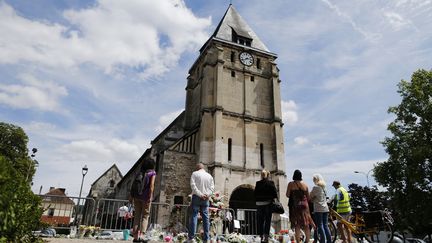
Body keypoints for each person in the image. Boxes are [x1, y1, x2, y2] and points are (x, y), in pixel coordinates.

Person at [130, 158, 156, 243]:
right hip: (145, 198)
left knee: (137, 216)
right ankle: (141, 235)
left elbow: (133, 185)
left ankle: (135, 237)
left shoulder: (140, 172)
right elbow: (151, 186)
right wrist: (150, 196)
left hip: (137, 196)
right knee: (145, 216)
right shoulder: (152, 173)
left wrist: (131, 196)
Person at [286, 169, 315, 243]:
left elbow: (287, 195)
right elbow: (308, 198)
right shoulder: (305, 185)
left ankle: (298, 241)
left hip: (296, 206)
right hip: (305, 206)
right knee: (306, 224)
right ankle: (307, 241)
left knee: (297, 225)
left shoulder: (291, 184)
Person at [188, 163, 214, 243]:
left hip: (197, 197)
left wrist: (200, 194)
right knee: (206, 218)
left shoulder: (195, 174)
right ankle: (206, 239)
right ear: (203, 168)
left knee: (194, 216)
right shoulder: (209, 176)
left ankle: (191, 238)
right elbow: (212, 188)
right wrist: (207, 194)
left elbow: (193, 186)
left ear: (197, 168)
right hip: (206, 198)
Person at [254, 169, 278, 243]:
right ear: (268, 175)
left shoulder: (258, 183)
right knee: (267, 221)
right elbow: (275, 194)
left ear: (261, 175)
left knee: (260, 221)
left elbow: (255, 194)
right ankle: (266, 238)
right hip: (268, 204)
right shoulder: (271, 183)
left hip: (259, 204)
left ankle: (260, 237)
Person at [310, 174, 332, 243]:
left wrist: (313, 199)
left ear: (316, 180)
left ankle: (322, 241)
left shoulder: (315, 187)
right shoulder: (324, 188)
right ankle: (329, 241)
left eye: (314, 180)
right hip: (325, 208)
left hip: (318, 208)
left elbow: (310, 197)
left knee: (320, 225)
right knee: (325, 225)